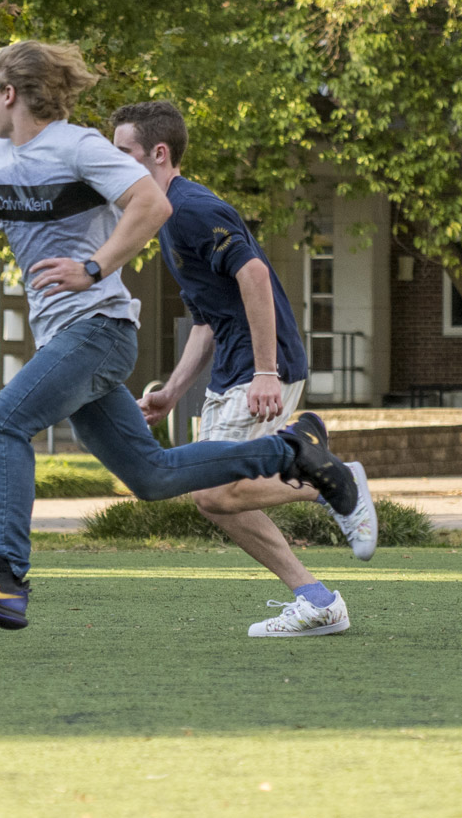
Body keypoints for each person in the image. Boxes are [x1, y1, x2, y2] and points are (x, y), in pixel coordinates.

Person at [0, 41, 372, 630]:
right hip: (64, 333)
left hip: (99, 330)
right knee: (152, 476)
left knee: (5, 420)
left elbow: (150, 204)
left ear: (7, 93)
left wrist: (93, 267)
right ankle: (295, 454)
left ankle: (6, 577)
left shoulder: (78, 144)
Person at [113, 100, 361, 637]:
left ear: (158, 153)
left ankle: (328, 481)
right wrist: (173, 391)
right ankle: (316, 597)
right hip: (233, 366)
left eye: (122, 153)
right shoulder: (166, 218)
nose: (113, 166)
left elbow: (253, 276)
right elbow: (206, 318)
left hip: (259, 366)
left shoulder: (193, 208)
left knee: (213, 491)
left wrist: (267, 371)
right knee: (215, 497)